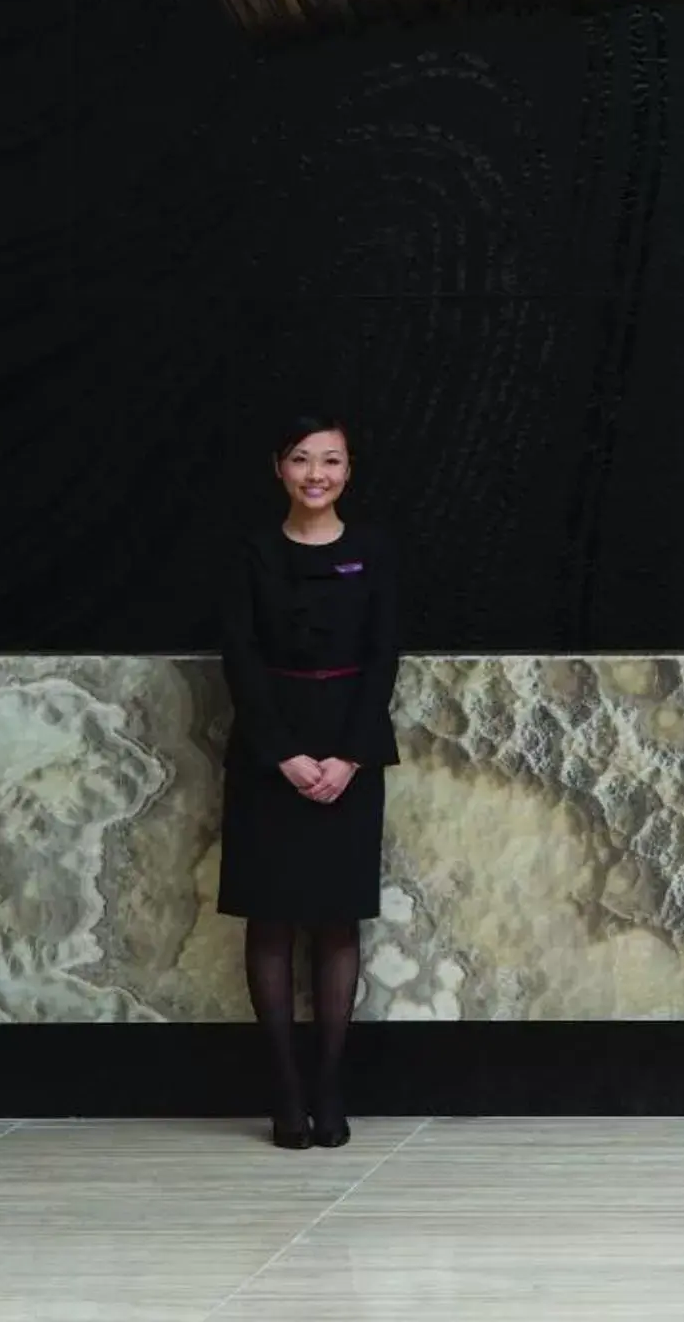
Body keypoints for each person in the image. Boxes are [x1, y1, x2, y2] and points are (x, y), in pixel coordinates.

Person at [217, 415, 400, 1151]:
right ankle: (284, 1091)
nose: (316, 474)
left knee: (335, 921)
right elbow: (239, 656)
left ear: (349, 471)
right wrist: (284, 755)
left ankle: (329, 1086)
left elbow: (385, 654)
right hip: (271, 750)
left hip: (348, 750)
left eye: (331, 461)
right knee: (270, 919)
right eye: (302, 460)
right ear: (279, 468)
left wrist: (349, 757)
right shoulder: (250, 550)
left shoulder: (375, 550)